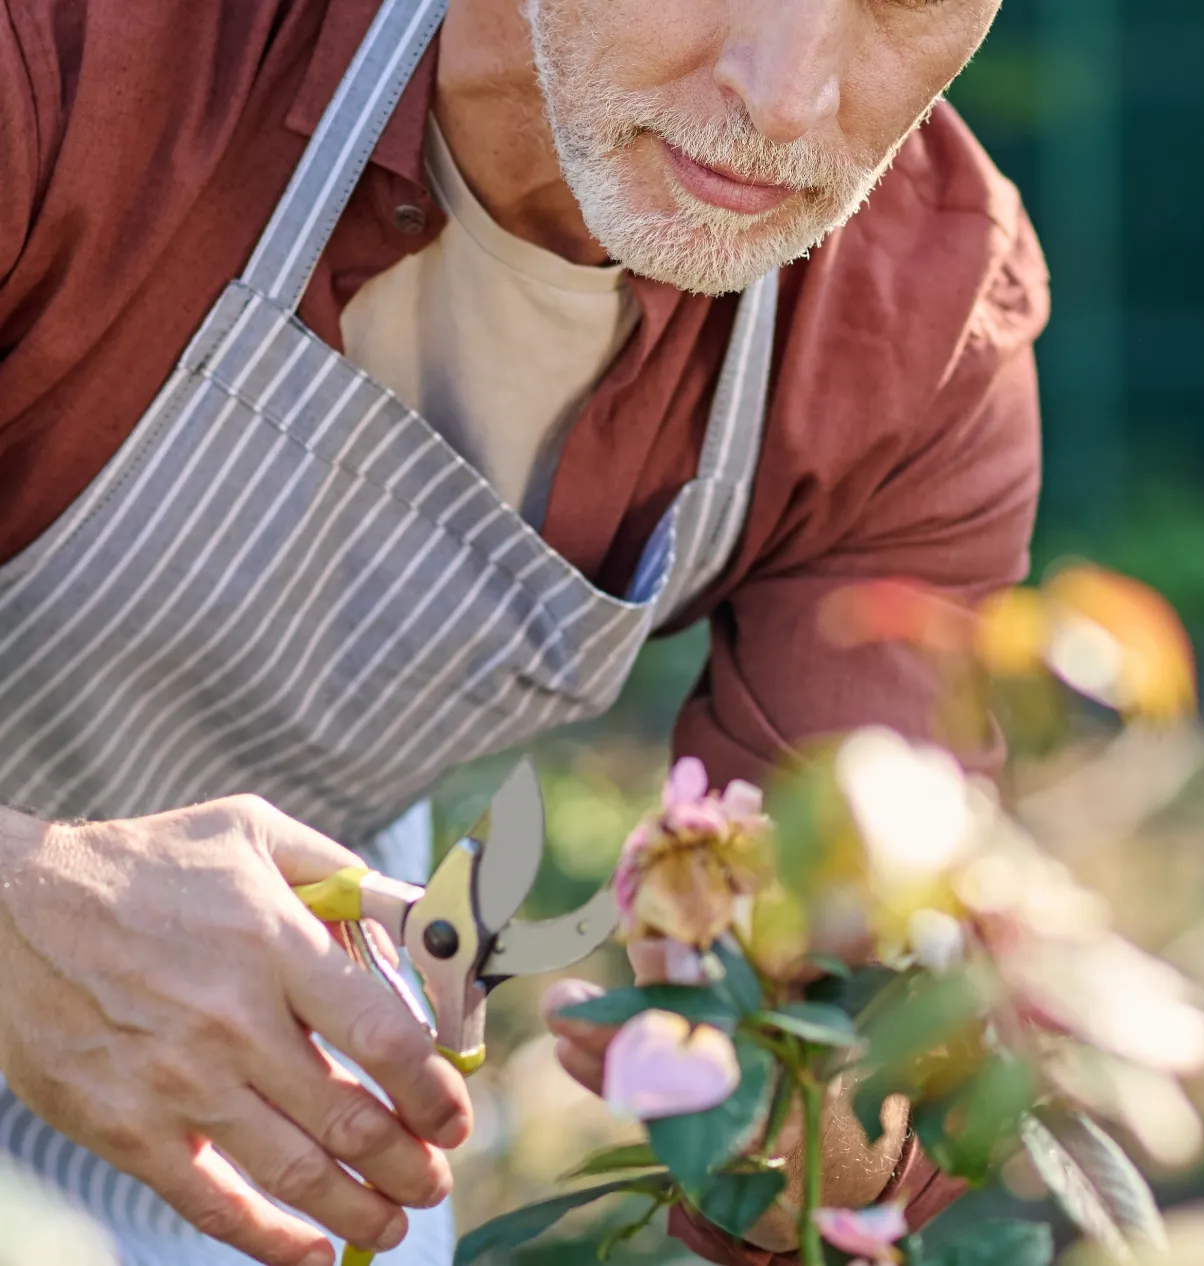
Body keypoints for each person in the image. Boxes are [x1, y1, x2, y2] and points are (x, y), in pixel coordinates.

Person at [0, 0, 1048, 1263]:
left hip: (264, 1056)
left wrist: (809, 1102)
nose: (785, 103)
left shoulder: (917, 330)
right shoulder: (72, 49)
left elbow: (868, 1045)